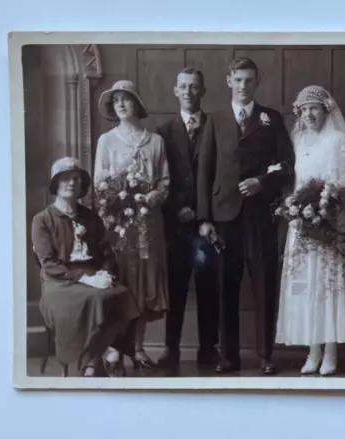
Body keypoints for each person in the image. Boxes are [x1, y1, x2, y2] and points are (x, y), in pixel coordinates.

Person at [196, 58, 295, 375]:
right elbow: (204, 172)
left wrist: (262, 183)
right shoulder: (215, 119)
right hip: (224, 217)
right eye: (238, 80)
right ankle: (229, 357)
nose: (243, 86)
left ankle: (265, 355)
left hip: (260, 216)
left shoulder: (272, 119)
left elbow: (287, 166)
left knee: (264, 284)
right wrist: (204, 218)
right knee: (226, 285)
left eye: (249, 80)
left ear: (257, 82)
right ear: (229, 81)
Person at [275, 85, 345, 376]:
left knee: (327, 287)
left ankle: (331, 350)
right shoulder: (298, 140)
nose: (309, 114)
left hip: (329, 222)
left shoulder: (338, 139)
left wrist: (325, 203)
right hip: (302, 224)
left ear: (326, 109)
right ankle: (312, 349)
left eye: (314, 108)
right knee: (307, 286)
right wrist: (296, 205)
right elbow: (294, 180)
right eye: (304, 109)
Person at [32, 157, 141, 377]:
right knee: (97, 299)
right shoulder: (42, 220)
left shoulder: (91, 217)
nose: (71, 183)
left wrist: (104, 272)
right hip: (60, 283)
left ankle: (92, 362)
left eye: (76, 178)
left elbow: (107, 253)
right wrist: (85, 278)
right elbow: (49, 264)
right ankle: (99, 358)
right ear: (55, 185)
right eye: (65, 179)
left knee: (123, 294)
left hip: (94, 276)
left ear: (82, 185)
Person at [94, 79, 170, 370]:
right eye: (117, 101)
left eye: (126, 99)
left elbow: (164, 180)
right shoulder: (107, 141)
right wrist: (118, 197)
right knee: (121, 282)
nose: (122, 104)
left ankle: (138, 348)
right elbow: (99, 182)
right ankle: (113, 350)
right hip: (119, 226)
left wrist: (153, 196)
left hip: (148, 223)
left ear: (136, 103)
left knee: (143, 285)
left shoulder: (155, 141)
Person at [155, 68, 219, 370]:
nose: (189, 92)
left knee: (208, 288)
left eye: (194, 87)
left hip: (208, 223)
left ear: (203, 91)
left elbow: (222, 174)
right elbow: (159, 177)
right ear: (175, 91)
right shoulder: (163, 131)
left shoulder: (216, 126)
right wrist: (178, 208)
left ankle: (209, 349)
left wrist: (205, 213)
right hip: (176, 225)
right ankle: (171, 348)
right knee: (176, 289)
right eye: (183, 87)